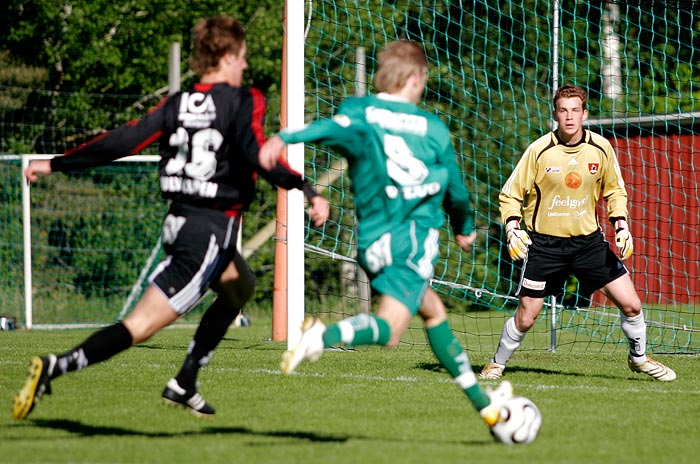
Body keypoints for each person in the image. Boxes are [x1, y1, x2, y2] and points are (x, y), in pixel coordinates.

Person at [13, 14, 330, 420]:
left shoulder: (177, 103)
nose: (246, 66)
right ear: (229, 57)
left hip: (181, 222)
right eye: (244, 57)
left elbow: (123, 139)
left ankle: (185, 383)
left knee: (240, 287)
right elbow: (256, 154)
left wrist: (55, 164)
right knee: (140, 326)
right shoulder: (244, 100)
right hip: (208, 234)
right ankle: (55, 366)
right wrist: (304, 188)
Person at [258, 40, 514, 432]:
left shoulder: (359, 112)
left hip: (371, 245)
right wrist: (463, 228)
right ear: (414, 77)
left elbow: (329, 128)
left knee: (433, 311)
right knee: (391, 331)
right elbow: (457, 193)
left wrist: (285, 138)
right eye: (423, 78)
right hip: (410, 240)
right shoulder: (432, 128)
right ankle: (321, 336)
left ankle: (486, 406)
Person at [479, 83, 676, 382]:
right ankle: (496, 363)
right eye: (563, 110)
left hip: (588, 245)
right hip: (545, 246)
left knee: (632, 304)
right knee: (527, 317)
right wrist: (512, 228)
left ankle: (639, 358)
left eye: (575, 110)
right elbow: (510, 195)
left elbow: (615, 191)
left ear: (584, 113)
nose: (569, 117)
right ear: (555, 115)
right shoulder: (539, 150)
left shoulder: (601, 148)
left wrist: (621, 225)